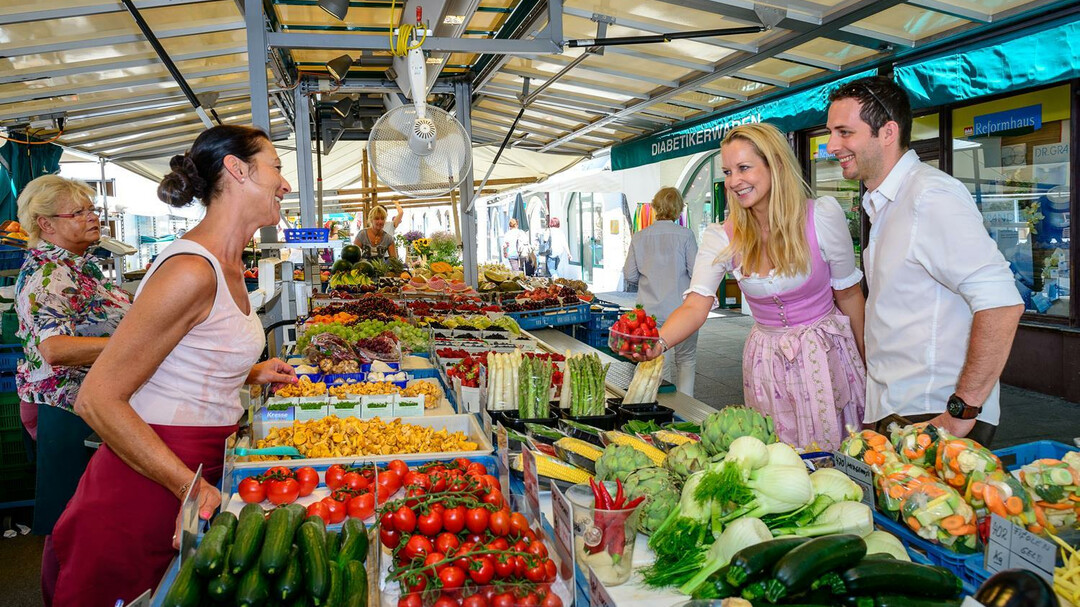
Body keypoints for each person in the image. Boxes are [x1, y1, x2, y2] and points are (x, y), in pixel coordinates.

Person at [43, 125, 299, 606]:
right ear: (237, 170)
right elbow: (97, 399)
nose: (285, 184)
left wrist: (247, 371)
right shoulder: (190, 270)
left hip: (196, 463)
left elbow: (186, 350)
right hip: (155, 475)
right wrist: (188, 485)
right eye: (277, 168)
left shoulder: (226, 263)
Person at [639, 123, 866, 450]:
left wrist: (869, 368)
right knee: (776, 456)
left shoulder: (821, 217)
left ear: (775, 165)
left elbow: (850, 295)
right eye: (728, 171)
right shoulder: (722, 236)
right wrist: (659, 343)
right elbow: (695, 305)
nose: (733, 181)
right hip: (766, 361)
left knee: (837, 453)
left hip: (824, 355)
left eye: (744, 168)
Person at [826, 76, 1023, 445]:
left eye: (844, 132)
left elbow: (1001, 303)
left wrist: (961, 412)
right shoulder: (888, 201)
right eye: (831, 133)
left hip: (933, 413)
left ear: (888, 132)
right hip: (900, 410)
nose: (831, 146)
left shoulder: (929, 196)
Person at [13, 176, 132, 537]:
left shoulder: (80, 264)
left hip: (90, 400)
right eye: (78, 212)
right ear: (46, 224)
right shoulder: (48, 274)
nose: (92, 217)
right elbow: (55, 349)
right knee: (71, 521)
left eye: (91, 209)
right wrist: (133, 343)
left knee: (91, 517)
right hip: (65, 408)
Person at [623, 187, 699, 395]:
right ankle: (685, 407)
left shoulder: (640, 237)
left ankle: (657, 402)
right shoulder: (686, 236)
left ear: (655, 207)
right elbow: (696, 272)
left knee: (656, 361)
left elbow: (629, 275)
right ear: (678, 209)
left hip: (649, 313)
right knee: (686, 359)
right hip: (682, 311)